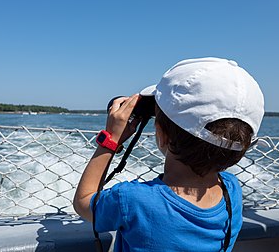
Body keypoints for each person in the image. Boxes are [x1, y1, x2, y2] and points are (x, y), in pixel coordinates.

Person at [73, 57, 264, 252]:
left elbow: (83, 202)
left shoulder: (132, 200)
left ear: (162, 135)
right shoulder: (231, 190)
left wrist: (111, 140)